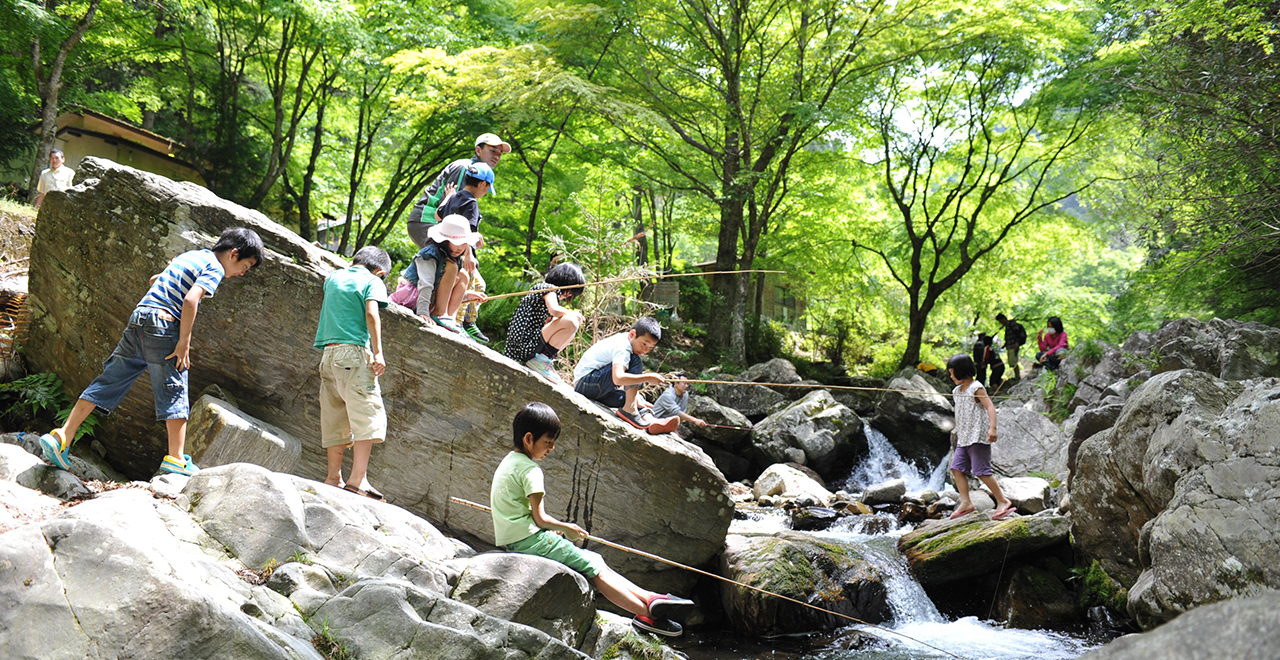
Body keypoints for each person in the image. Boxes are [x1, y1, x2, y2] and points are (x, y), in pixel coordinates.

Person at [38, 227, 264, 475]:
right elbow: (190, 300)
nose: (244, 272)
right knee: (175, 386)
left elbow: (155, 281)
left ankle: (63, 435)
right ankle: (176, 458)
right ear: (233, 254)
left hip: (140, 317)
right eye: (247, 265)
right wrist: (184, 343)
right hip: (164, 324)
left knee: (108, 380)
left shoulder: (190, 256)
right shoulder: (215, 268)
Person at [490, 402, 696, 637]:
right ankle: (645, 614)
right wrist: (567, 528)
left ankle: (650, 597)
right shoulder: (531, 471)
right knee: (594, 568)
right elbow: (540, 518)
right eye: (548, 442)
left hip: (519, 539)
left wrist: (550, 530)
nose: (552, 448)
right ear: (529, 439)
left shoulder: (509, 461)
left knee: (595, 559)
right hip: (530, 540)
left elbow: (519, 512)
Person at [315, 246, 392, 499]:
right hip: (354, 353)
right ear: (380, 272)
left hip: (328, 355)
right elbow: (371, 313)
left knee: (334, 414)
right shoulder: (372, 281)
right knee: (366, 414)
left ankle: (333, 477)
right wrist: (378, 352)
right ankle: (358, 480)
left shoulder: (333, 277)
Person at [572, 317, 676, 434]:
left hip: (596, 389)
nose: (646, 350)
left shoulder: (626, 342)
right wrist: (647, 378)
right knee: (635, 361)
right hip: (586, 383)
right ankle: (630, 410)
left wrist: (635, 397)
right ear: (632, 334)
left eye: (650, 348)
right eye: (644, 344)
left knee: (633, 397)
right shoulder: (623, 346)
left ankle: (651, 422)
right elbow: (618, 378)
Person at [405, 133, 510, 248]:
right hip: (427, 220)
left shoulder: (478, 174)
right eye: (493, 151)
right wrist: (469, 241)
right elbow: (453, 209)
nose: (497, 156)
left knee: (451, 260)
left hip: (438, 222)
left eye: (500, 153)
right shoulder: (464, 168)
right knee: (449, 259)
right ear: (478, 150)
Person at [389, 215, 487, 334]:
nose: (460, 247)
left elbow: (445, 290)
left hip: (432, 298)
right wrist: (423, 312)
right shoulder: (429, 254)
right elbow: (426, 283)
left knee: (463, 275)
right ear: (444, 240)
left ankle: (450, 318)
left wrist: (467, 296)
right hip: (416, 296)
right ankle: (440, 314)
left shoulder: (455, 258)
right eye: (457, 242)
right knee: (452, 267)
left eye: (464, 243)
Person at [944, 354, 1014, 521]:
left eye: (953, 373)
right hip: (964, 437)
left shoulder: (976, 388)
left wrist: (993, 428)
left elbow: (990, 406)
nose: (951, 377)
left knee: (981, 472)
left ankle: (1003, 501)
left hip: (977, 437)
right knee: (956, 469)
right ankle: (966, 502)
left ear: (962, 371)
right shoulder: (956, 391)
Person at [434, 163, 494, 343]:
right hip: (460, 252)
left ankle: (455, 319)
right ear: (483, 184)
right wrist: (469, 254)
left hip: (446, 248)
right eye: (488, 189)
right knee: (477, 284)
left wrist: (448, 197)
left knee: (463, 281)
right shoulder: (472, 203)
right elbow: (470, 230)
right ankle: (463, 322)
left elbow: (438, 215)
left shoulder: (456, 196)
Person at [504, 262, 587, 385]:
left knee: (571, 329)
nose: (569, 295)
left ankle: (544, 360)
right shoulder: (548, 288)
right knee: (570, 322)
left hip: (524, 346)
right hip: (523, 345)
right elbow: (554, 309)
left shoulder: (546, 293)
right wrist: (573, 314)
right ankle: (540, 361)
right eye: (570, 291)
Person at [995, 313, 1027, 380]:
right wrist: (1005, 345)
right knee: (1011, 362)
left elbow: (1017, 333)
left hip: (1013, 345)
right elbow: (1010, 337)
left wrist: (1017, 343)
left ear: (1003, 319)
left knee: (1013, 361)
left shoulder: (1012, 324)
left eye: (1000, 321)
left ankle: (1017, 376)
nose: (1001, 323)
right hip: (1010, 345)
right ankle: (1017, 375)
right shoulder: (1007, 326)